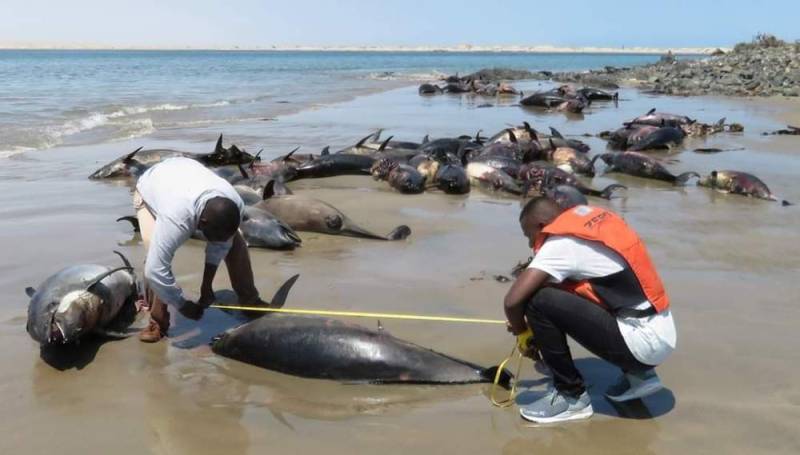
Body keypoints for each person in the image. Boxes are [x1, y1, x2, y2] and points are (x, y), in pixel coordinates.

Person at [503, 197, 676, 423]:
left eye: (528, 236)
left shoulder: (561, 245)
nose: (529, 244)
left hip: (641, 344)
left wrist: (523, 332)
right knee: (561, 292)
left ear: (540, 225)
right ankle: (639, 377)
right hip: (661, 332)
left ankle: (572, 397)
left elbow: (512, 301)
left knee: (538, 300)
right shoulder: (593, 222)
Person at [133, 157, 268, 342]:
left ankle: (250, 300)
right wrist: (182, 304)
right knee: (155, 257)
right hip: (150, 190)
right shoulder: (176, 218)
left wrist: (207, 287)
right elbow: (156, 269)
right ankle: (158, 322)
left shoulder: (234, 202)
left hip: (185, 173)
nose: (218, 241)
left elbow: (222, 245)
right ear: (201, 223)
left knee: (237, 244)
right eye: (213, 237)